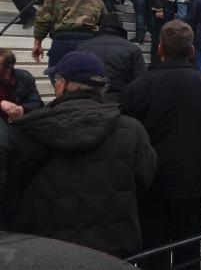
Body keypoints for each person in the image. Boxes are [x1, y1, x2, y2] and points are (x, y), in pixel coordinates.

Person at [3, 51, 156, 257]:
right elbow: (145, 179)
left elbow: (11, 192)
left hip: (45, 248)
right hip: (114, 246)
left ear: (62, 84)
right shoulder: (131, 129)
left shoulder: (29, 129)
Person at [120, 20, 201, 270]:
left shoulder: (136, 89)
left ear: (159, 48)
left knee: (153, 256)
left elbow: (126, 146)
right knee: (188, 257)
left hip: (150, 188)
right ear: (192, 51)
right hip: (190, 189)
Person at [32, 0, 106, 71]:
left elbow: (43, 19)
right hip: (88, 42)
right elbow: (105, 22)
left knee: (57, 73)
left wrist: (38, 42)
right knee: (84, 74)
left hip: (62, 40)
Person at [77, 13, 146, 102]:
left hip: (89, 99)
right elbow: (140, 81)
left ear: (101, 26)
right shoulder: (132, 48)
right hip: (120, 100)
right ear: (120, 26)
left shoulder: (83, 47)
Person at [0, 49, 43, 121]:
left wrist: (20, 109)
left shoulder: (24, 77)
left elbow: (38, 104)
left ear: (9, 67)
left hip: (19, 123)